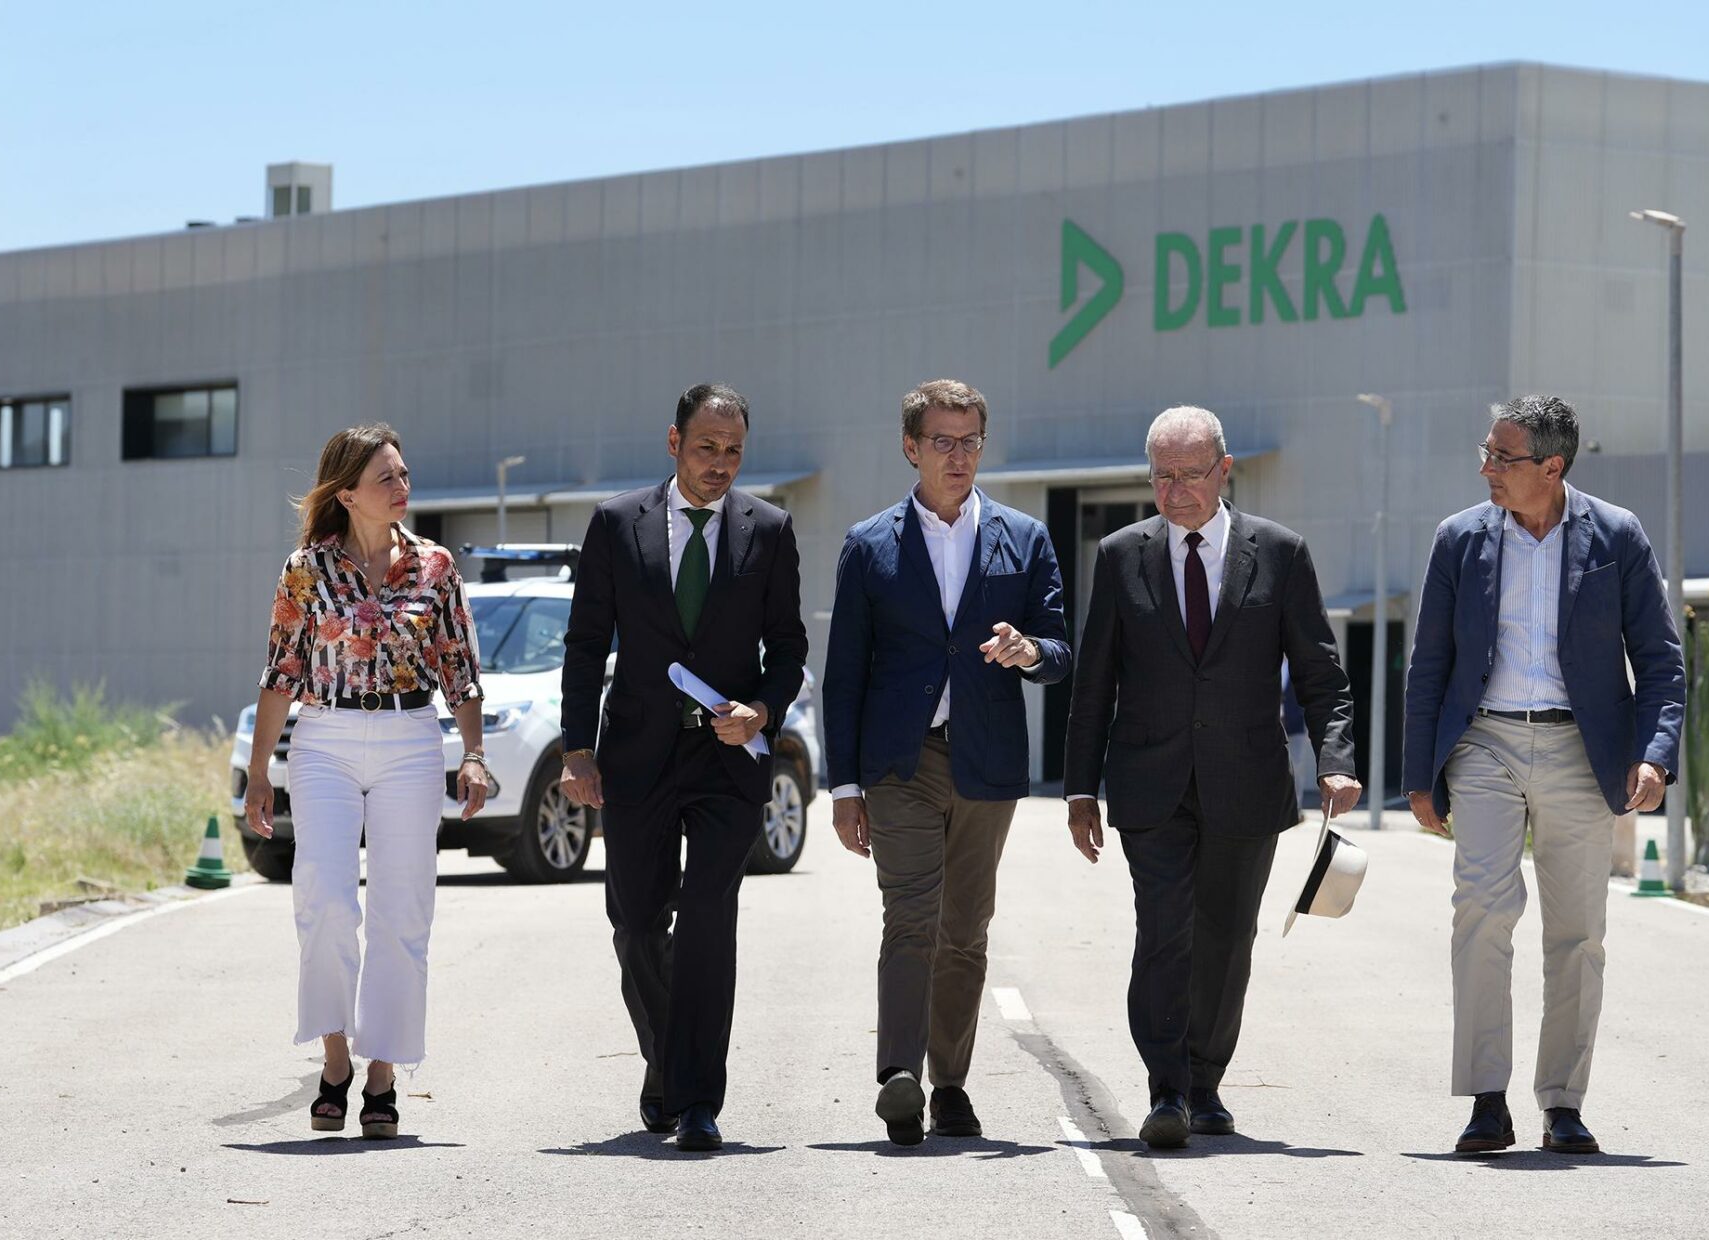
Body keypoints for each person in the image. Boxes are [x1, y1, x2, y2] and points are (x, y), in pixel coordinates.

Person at [1062, 405, 1360, 1149]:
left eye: (1191, 475)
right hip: (1149, 782)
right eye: (1162, 477)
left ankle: (1205, 1082)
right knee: (1164, 931)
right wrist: (1080, 788)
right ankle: (1166, 1088)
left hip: (1247, 781)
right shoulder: (1122, 555)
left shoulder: (1280, 553)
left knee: (1226, 938)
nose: (1175, 491)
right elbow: (1095, 680)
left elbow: (1321, 671)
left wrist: (1336, 759)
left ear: (1224, 471)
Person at [1402, 395, 1683, 1157]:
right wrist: (1421, 774)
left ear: (1552, 466)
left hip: (1580, 749)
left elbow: (1660, 660)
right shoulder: (1460, 538)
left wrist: (1654, 754)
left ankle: (1563, 1102)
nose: (1487, 469)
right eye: (1487, 453)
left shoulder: (1616, 535)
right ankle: (1486, 1101)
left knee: (1578, 933)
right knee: (1482, 911)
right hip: (1485, 743)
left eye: (1504, 457)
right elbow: (1430, 663)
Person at [558, 383, 807, 1152]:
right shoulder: (615, 523)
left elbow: (788, 647)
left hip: (727, 759)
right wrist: (575, 749)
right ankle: (667, 1061)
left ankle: (697, 1098)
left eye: (734, 451)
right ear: (674, 444)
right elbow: (585, 642)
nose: (720, 464)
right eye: (706, 447)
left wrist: (760, 711)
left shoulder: (770, 530)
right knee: (637, 923)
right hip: (637, 753)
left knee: (706, 919)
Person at [823, 379, 1071, 1146]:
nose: (958, 456)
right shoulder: (869, 545)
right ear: (911, 447)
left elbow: (1060, 649)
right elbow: (844, 674)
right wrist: (844, 786)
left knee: (965, 927)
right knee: (911, 917)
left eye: (970, 442)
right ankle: (899, 1076)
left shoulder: (1025, 538)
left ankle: (951, 1084)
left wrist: (1030, 652)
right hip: (900, 762)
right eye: (942, 441)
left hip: (987, 759)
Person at [243, 423, 490, 1140]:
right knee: (323, 899)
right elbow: (280, 672)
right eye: (387, 477)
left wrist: (474, 752)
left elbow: (461, 668)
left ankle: (382, 1072)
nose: (402, 486)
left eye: (404, 474)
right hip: (324, 739)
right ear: (347, 493)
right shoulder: (305, 570)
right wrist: (258, 770)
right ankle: (334, 1059)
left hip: (411, 740)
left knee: (401, 910)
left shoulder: (436, 566)